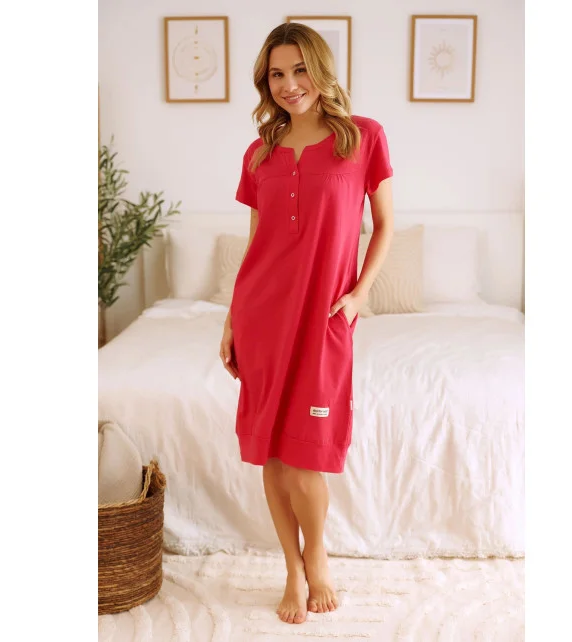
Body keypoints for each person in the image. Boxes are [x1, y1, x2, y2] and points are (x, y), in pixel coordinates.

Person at [219, 22, 394, 625]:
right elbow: (255, 245)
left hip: (325, 317)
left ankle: (316, 554)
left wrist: (358, 295)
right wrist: (232, 320)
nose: (289, 84)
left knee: (306, 456)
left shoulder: (363, 137)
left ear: (320, 70)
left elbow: (384, 226)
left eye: (299, 70)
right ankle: (292, 568)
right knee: (272, 452)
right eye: (277, 74)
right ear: (265, 83)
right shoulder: (259, 153)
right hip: (262, 316)